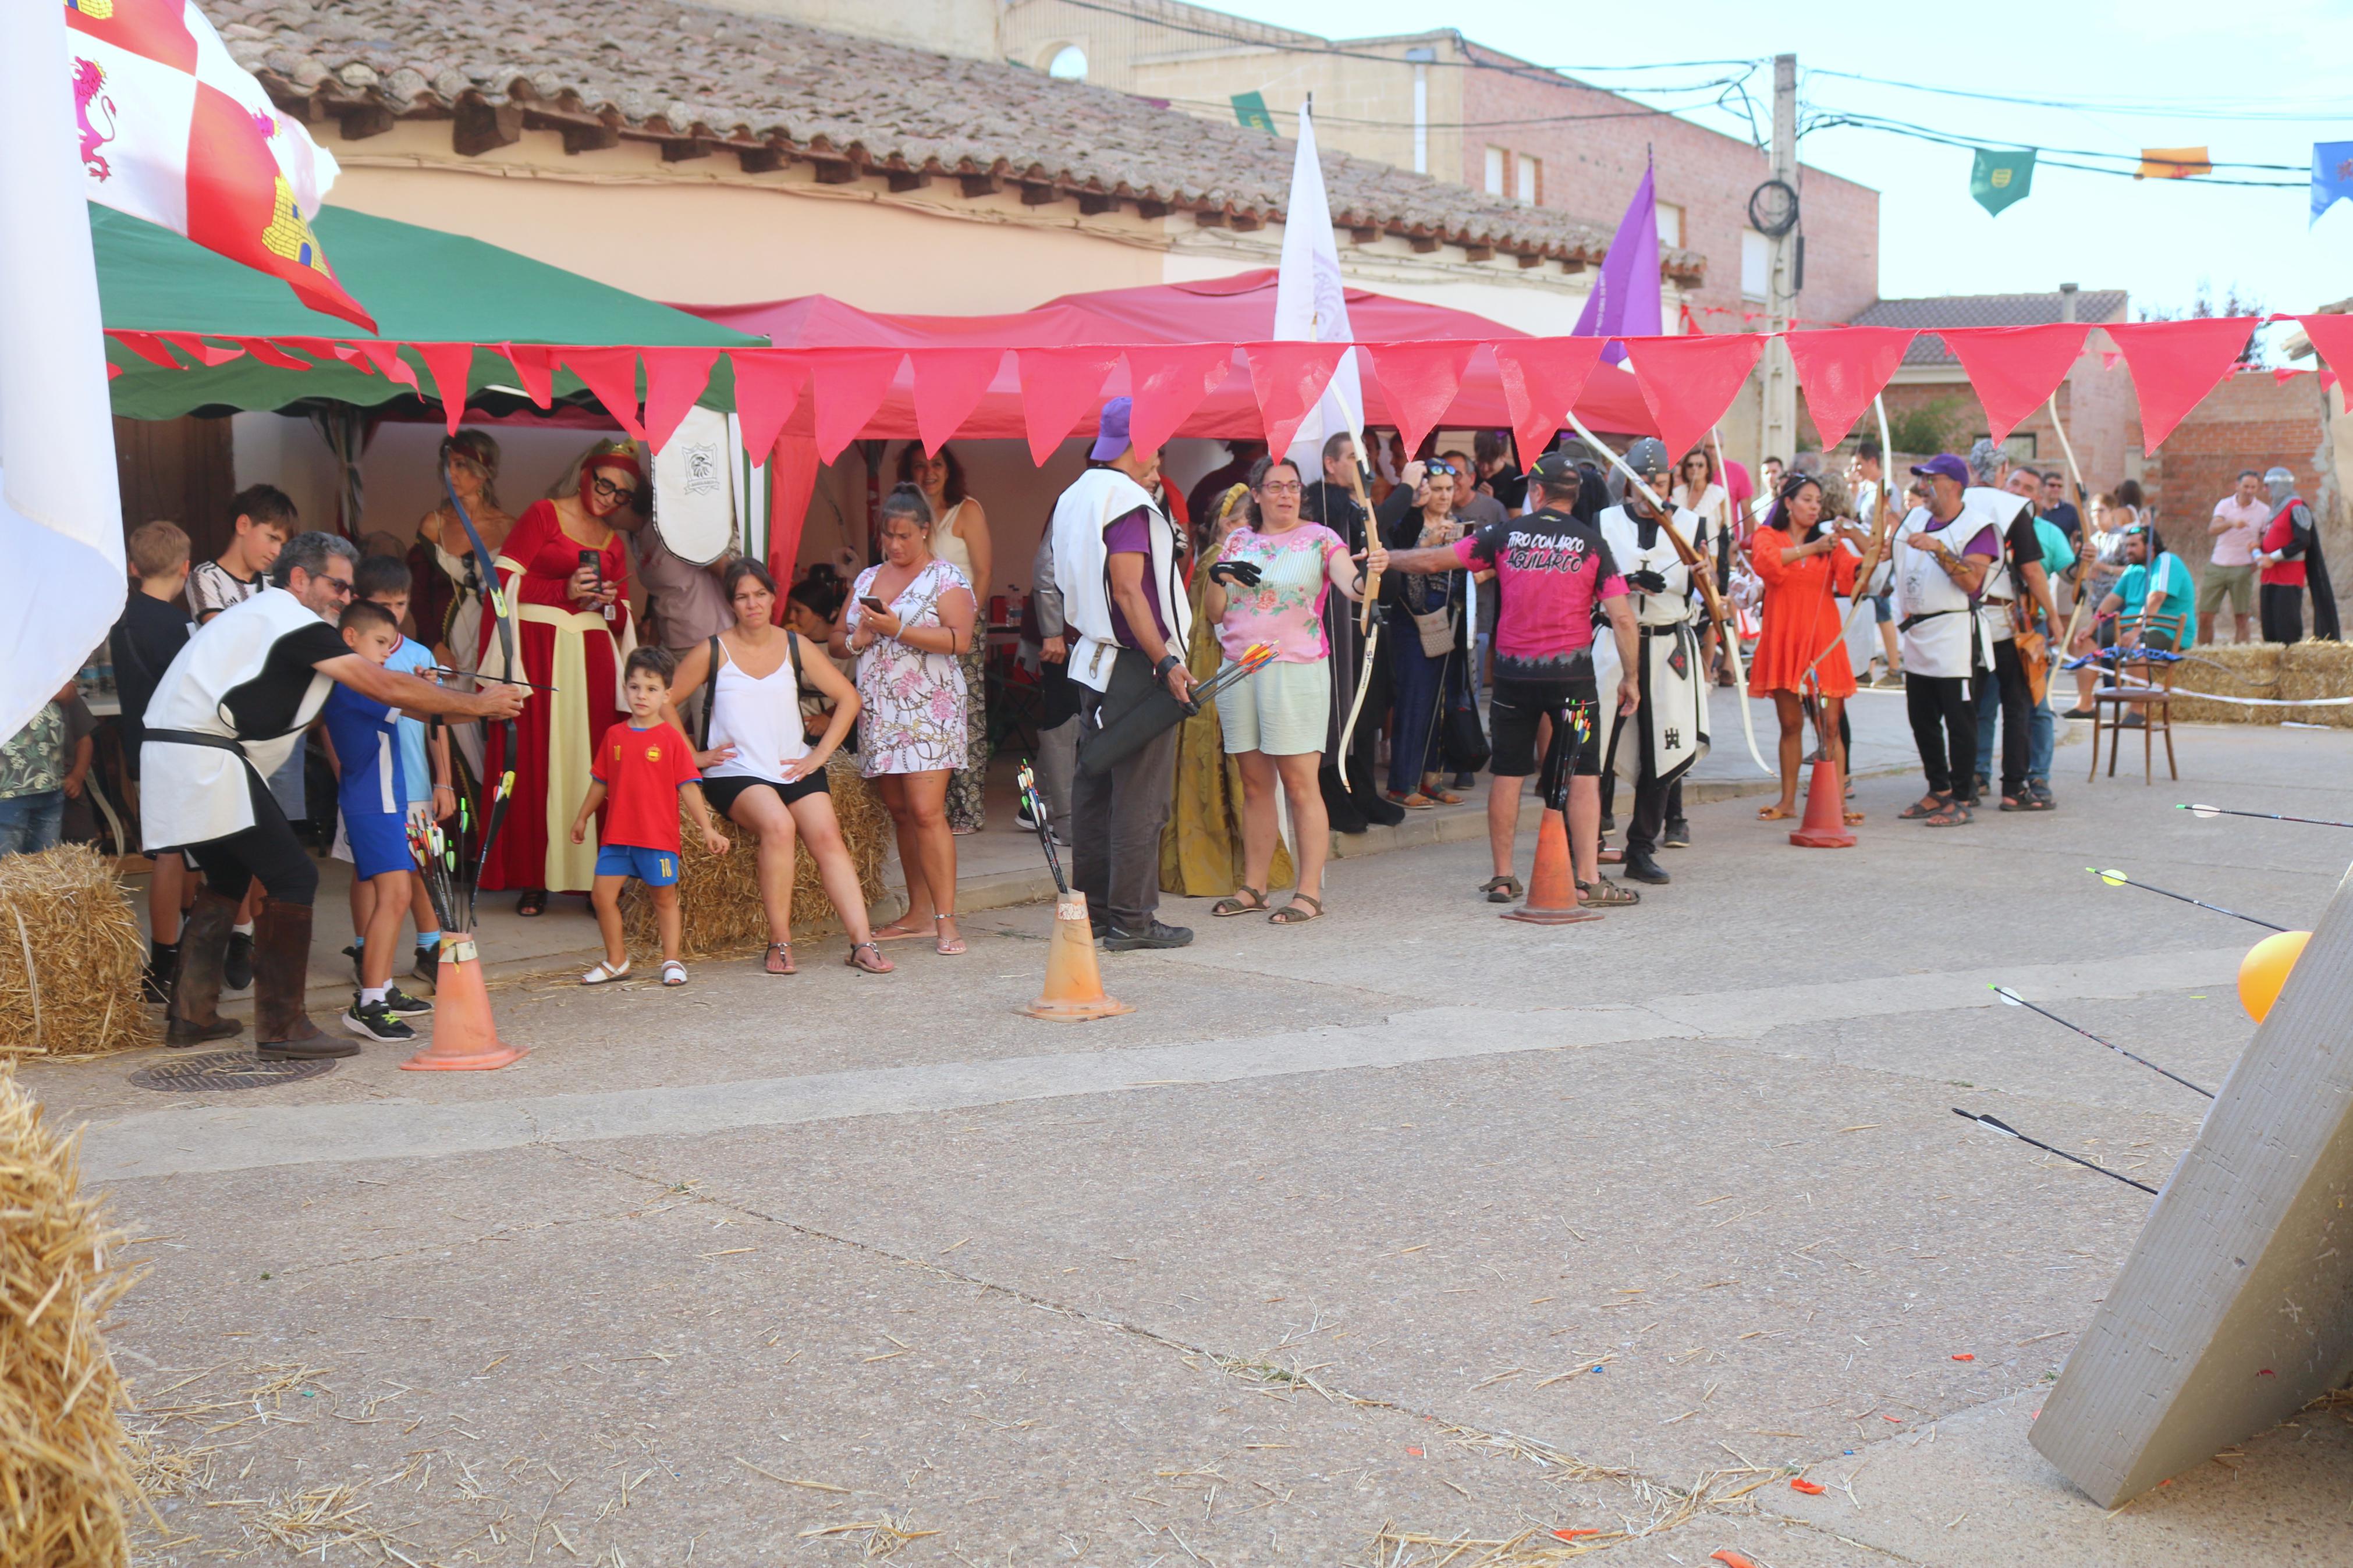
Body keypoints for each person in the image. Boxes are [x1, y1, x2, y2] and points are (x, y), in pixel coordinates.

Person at [140, 532, 524, 1055]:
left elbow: (402, 699)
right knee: (293, 875)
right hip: (204, 757)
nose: (346, 596)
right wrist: (480, 706)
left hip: (182, 754)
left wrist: (477, 706)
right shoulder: (293, 621)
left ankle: (191, 1015)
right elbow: (387, 688)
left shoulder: (268, 619)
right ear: (299, 579)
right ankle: (282, 1026)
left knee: (229, 875)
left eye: (348, 588)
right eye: (337, 585)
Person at [1369, 450, 1641, 910]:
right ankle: (1589, 879)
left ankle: (1502, 875)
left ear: (1536, 491)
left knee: (1508, 775)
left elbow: (1435, 561)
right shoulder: (1593, 544)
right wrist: (1630, 677)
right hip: (1572, 679)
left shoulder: (1505, 535)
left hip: (1515, 676)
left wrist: (1386, 558)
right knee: (1583, 776)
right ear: (1572, 496)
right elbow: (1623, 619)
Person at [667, 560, 892, 976]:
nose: (752, 603)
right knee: (778, 825)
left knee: (827, 835)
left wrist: (819, 755)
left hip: (792, 763)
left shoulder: (795, 645)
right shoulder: (713, 649)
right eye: (741, 596)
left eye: (760, 594)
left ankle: (863, 943)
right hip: (736, 771)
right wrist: (693, 757)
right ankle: (780, 940)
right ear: (731, 603)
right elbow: (664, 701)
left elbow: (849, 698)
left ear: (773, 597)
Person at [1048, 397, 1199, 949]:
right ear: (1134, 445)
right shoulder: (1127, 500)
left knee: (1094, 786)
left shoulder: (1074, 493)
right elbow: (1129, 590)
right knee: (1139, 797)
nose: (1158, 458)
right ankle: (1133, 919)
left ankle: (1091, 912)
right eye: (1155, 446)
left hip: (1091, 657)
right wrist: (1167, 661)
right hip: (1135, 663)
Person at [1197, 457, 1362, 922]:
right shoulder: (1237, 541)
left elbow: (1350, 581)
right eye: (1275, 487)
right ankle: (1254, 885)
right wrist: (1217, 576)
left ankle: (1307, 891)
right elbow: (1213, 612)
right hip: (1239, 669)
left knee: (1299, 782)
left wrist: (1366, 579)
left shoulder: (1320, 539)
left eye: (1292, 487)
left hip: (1293, 669)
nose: (1286, 495)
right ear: (1257, 493)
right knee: (1253, 784)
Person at [481, 439, 641, 916]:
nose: (610, 498)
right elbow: (503, 583)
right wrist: (563, 589)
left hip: (591, 662)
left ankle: (598, 879)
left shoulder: (613, 542)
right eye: (605, 485)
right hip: (539, 653)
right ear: (586, 473)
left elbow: (621, 621)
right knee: (535, 764)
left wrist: (606, 600)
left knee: (591, 765)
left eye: (621, 495)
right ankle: (535, 878)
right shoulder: (542, 515)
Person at [837, 485, 978, 956]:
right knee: (900, 812)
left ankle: (946, 920)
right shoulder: (867, 578)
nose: (894, 545)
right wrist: (859, 636)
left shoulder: (945, 577)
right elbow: (842, 641)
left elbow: (960, 639)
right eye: (887, 536)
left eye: (903, 535)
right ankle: (918, 913)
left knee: (926, 812)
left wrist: (898, 628)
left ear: (924, 531)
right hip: (881, 711)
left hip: (929, 710)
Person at [189, 484, 301, 986]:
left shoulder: (275, 584)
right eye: (271, 536)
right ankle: (234, 934)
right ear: (242, 525)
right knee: (232, 838)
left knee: (272, 837)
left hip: (271, 727)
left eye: (282, 542)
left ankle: (250, 936)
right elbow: (226, 641)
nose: (276, 550)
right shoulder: (205, 579)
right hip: (222, 729)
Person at [1162, 483, 1294, 901]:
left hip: (1213, 662)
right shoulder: (1223, 558)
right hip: (1220, 665)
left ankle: (1239, 863)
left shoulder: (1213, 558)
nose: (1244, 527)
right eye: (1237, 520)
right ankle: (1230, 864)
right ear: (1225, 522)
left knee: (1233, 770)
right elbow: (1221, 619)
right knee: (1233, 769)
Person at [572, 647, 729, 988]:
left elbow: (688, 787)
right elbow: (600, 781)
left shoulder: (672, 738)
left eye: (652, 688)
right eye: (634, 687)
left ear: (667, 695)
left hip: (657, 837)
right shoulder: (614, 735)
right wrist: (583, 817)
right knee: (602, 896)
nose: (642, 695)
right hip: (617, 837)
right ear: (625, 688)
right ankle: (617, 960)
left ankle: (672, 960)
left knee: (664, 898)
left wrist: (708, 829)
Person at [1593, 439, 1712, 883]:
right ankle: (1588, 844)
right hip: (1613, 642)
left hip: (1666, 646)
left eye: (1660, 484)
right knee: (1599, 746)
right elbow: (1589, 582)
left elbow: (1706, 590)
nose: (1652, 494)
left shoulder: (1690, 524)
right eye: (1643, 485)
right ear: (1627, 486)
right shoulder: (1604, 521)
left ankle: (1642, 846)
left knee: (1663, 747)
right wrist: (1624, 581)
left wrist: (1705, 577)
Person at [317, 599, 435, 1043]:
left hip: (385, 800)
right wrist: (427, 687)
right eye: (380, 642)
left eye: (392, 643)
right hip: (372, 804)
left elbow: (411, 697)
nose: (388, 651)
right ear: (350, 639)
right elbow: (406, 697)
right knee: (395, 895)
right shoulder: (356, 686)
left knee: (397, 893)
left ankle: (381, 986)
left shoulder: (370, 683)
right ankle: (368, 1003)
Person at [338, 557, 456, 994]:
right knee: (376, 878)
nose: (394, 613)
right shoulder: (353, 667)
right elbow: (421, 706)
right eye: (382, 606)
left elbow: (435, 719)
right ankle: (368, 967)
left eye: (401, 604)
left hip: (408, 785)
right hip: (370, 791)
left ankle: (419, 955)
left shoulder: (410, 657)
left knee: (414, 872)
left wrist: (443, 778)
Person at [1890, 456, 2001, 827]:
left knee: (1960, 720)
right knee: (1921, 717)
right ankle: (1938, 788)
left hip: (1954, 635)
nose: (1923, 486)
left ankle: (1963, 795)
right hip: (1919, 634)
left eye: (1930, 479)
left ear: (1953, 483)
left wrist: (1938, 549)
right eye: (1921, 480)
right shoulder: (1916, 517)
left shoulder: (1978, 526)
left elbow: (1972, 583)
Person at [112, 521, 196, 1001]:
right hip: (177, 748)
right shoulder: (178, 624)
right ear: (186, 568)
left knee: (170, 847)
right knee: (174, 853)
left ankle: (176, 952)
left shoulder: (120, 619)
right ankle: (165, 961)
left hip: (140, 747)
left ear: (132, 567)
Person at [1747, 472, 1862, 823]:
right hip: (1784, 639)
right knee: (1791, 723)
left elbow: (1856, 573)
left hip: (1823, 642)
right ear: (1788, 503)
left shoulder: (1831, 544)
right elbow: (1766, 562)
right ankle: (1787, 801)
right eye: (1807, 500)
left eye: (1818, 502)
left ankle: (1836, 804)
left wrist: (1861, 538)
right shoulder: (1769, 535)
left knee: (1830, 725)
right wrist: (1814, 548)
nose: (1814, 507)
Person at [1301, 431, 1399, 833]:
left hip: (1365, 624)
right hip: (1335, 626)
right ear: (1330, 464)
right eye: (1353, 459)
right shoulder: (1325, 503)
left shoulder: (1359, 504)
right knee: (1338, 712)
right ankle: (1333, 795)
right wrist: (1406, 488)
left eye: (1367, 460)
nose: (1365, 468)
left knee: (1365, 711)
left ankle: (1362, 790)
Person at [900, 445, 995, 834]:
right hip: (918, 628)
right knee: (926, 713)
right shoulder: (908, 514)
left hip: (962, 625)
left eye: (936, 464)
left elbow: (985, 572)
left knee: (965, 714)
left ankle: (969, 811)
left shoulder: (966, 510)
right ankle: (932, 809)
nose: (928, 473)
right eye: (920, 466)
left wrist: (966, 623)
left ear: (949, 469)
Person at [1962, 440, 2053, 812]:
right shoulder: (2012, 507)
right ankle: (2014, 787)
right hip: (2001, 617)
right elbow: (2031, 570)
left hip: (1960, 616)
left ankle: (1964, 783)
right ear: (2002, 472)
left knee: (1967, 703)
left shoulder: (1957, 502)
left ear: (1972, 470)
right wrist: (2055, 617)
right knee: (2017, 704)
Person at [1376, 458, 1472, 809]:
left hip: (1449, 623)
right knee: (1414, 702)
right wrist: (1429, 546)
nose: (1445, 496)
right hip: (1411, 624)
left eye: (1450, 489)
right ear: (1422, 490)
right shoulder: (1407, 524)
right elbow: (1400, 577)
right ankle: (1402, 783)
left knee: (1443, 703)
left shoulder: (1461, 524)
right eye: (1438, 489)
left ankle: (1431, 778)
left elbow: (1465, 577)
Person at [2064, 483, 2141, 718]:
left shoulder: (2122, 538)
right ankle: (2100, 697)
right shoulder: (2094, 540)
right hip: (2099, 601)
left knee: (2108, 645)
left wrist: (2103, 567)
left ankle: (2120, 695)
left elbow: (2131, 571)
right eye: (2093, 512)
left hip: (2118, 602)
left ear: (2112, 512)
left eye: (2101, 511)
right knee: (2100, 648)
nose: (2096, 516)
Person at [0, 680, 90, 858]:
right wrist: (43, 689)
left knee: (46, 867)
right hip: (8, 792)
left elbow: (67, 690)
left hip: (49, 785)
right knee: (8, 868)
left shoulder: (40, 669)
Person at [2253, 466, 2340, 644]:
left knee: (2286, 625)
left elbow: (2302, 541)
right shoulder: (2276, 509)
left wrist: (2273, 557)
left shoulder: (2296, 507)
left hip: (2288, 576)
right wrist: (2259, 549)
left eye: (2268, 486)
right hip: (2269, 575)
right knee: (2270, 626)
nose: (2265, 490)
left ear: (2278, 486)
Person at [1846, 441, 1903, 687]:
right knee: (1872, 610)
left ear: (1872, 462)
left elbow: (1894, 522)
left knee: (1881, 609)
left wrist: (1887, 552)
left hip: (1878, 556)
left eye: (1860, 463)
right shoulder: (1867, 489)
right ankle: (1867, 666)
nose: (1857, 469)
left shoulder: (1886, 488)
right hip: (1865, 554)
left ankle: (1894, 668)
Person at [2098, 523, 2196, 650]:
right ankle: (2108, 671)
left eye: (2133, 545)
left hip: (2166, 631)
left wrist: (2136, 631)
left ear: (2150, 547)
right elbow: (2112, 600)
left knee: (2135, 647)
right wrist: (2092, 626)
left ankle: (2130, 669)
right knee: (2092, 640)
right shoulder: (2132, 569)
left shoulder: (2166, 560)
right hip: (2129, 628)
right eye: (2127, 546)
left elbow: (2157, 597)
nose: (2128, 551)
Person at [2202, 470, 2267, 646]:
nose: (2249, 491)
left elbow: (2265, 539)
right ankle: (2205, 652)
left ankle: (2241, 655)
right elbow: (2212, 529)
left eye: (2253, 487)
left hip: (2243, 567)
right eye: (2246, 486)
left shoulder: (2263, 510)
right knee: (2206, 615)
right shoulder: (2224, 505)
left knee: (2242, 617)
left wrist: (2257, 559)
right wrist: (2231, 523)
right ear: (2237, 486)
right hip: (2218, 564)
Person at [2040, 468, 2083, 545]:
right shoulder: (2035, 508)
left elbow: (2077, 540)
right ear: (2043, 487)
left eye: (2059, 486)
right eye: (2052, 485)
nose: (2056, 489)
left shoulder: (2070, 511)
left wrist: (2073, 556)